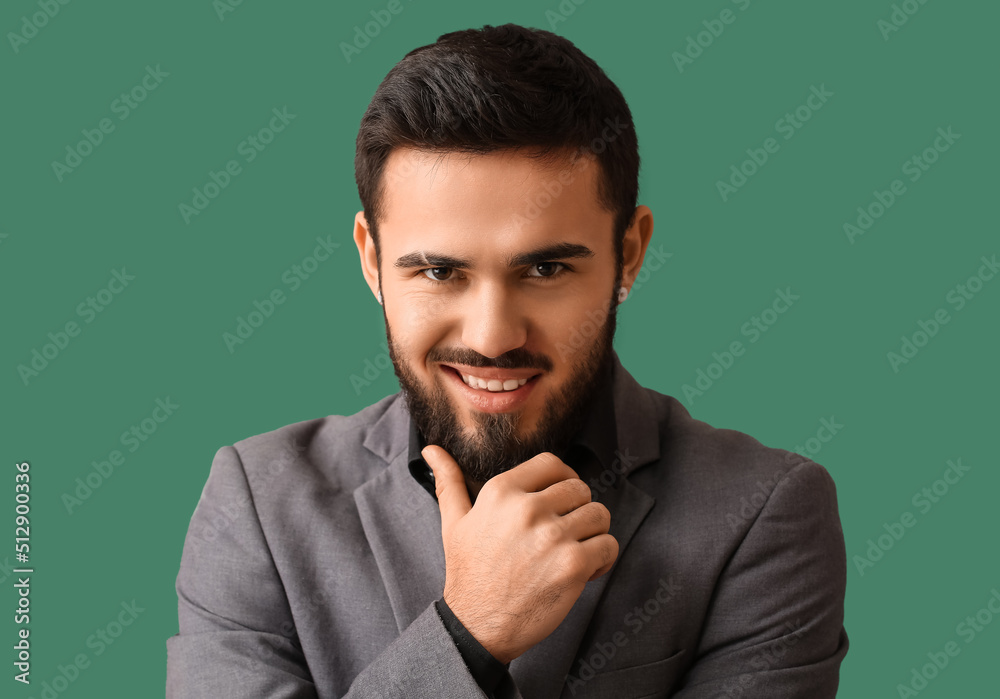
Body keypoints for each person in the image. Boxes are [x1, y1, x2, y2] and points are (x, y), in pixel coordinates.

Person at [166, 23, 848, 698]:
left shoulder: (762, 512)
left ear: (629, 254)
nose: (493, 337)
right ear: (372, 260)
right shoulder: (255, 503)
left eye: (546, 268)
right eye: (438, 272)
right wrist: (470, 631)